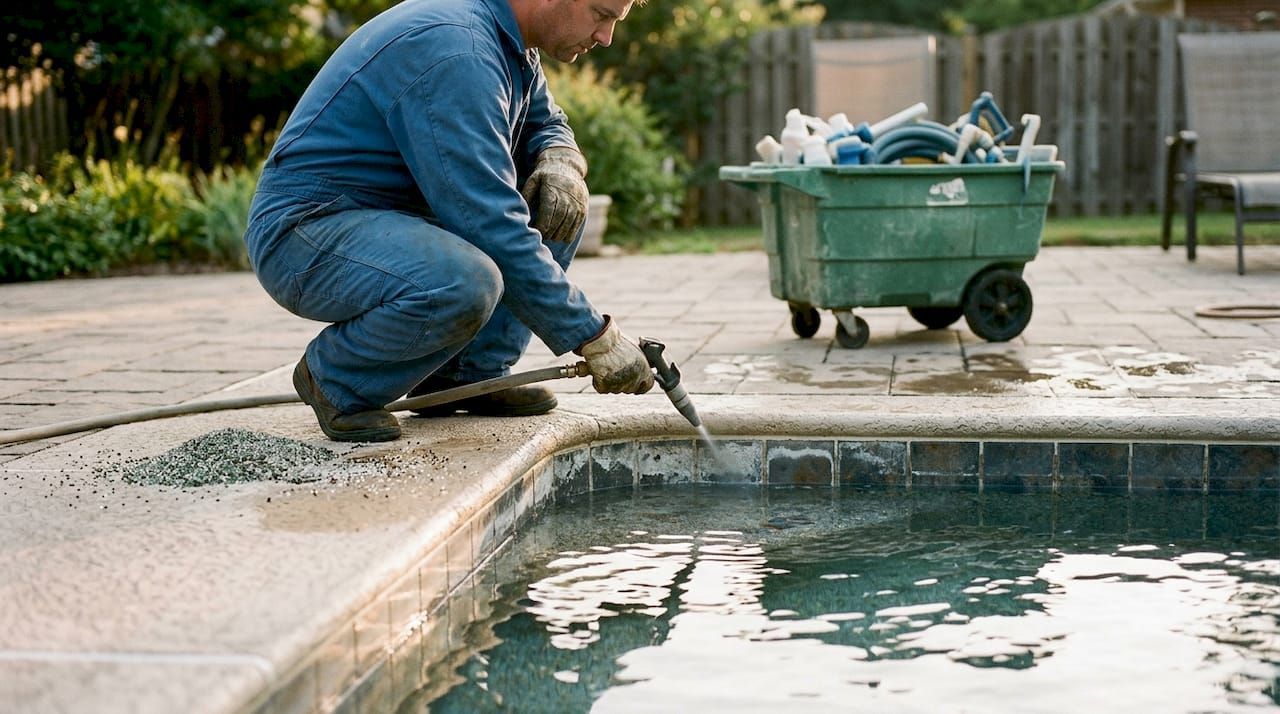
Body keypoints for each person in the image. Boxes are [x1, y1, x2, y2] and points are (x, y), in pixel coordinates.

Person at [243, 0, 654, 442]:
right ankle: (338, 378)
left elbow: (547, 121)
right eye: (602, 14)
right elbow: (487, 223)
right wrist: (594, 337)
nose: (606, 36)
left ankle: (465, 376)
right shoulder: (459, 50)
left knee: (558, 200)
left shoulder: (511, 44)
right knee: (464, 281)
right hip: (307, 231)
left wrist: (562, 160)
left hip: (384, 220)